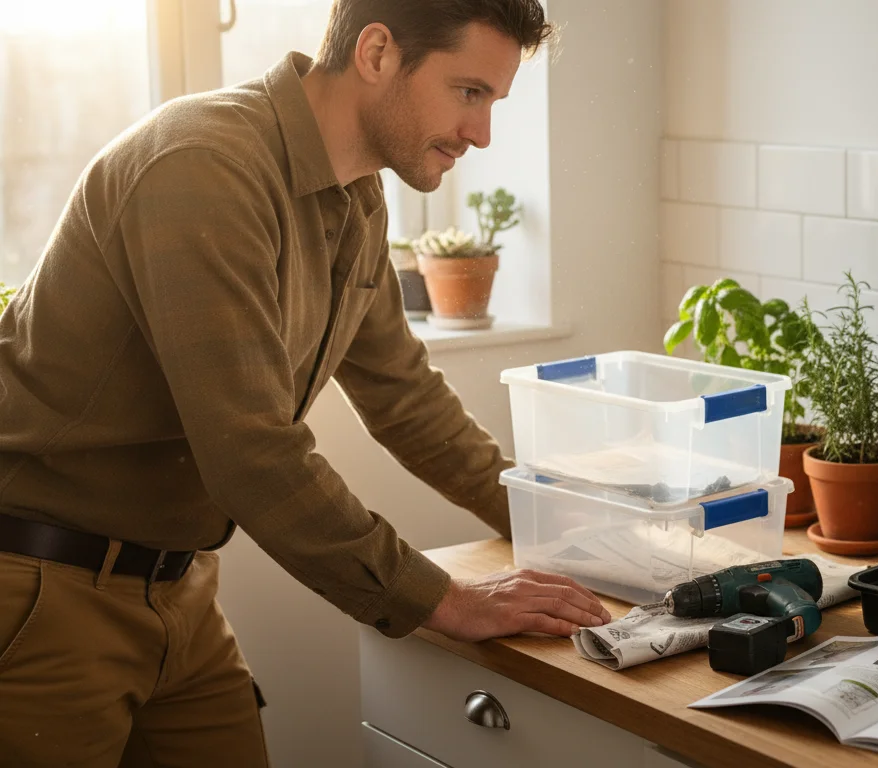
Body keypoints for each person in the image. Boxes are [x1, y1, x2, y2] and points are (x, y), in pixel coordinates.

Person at [0, 1, 610, 765]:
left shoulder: (355, 194)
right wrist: (446, 601)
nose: (481, 133)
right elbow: (253, 453)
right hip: (41, 589)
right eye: (469, 92)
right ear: (378, 52)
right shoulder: (202, 168)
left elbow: (405, 396)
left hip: (179, 589)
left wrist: (557, 531)